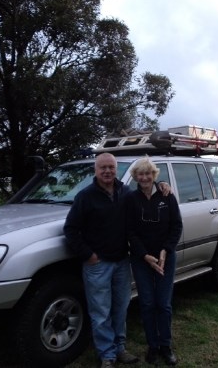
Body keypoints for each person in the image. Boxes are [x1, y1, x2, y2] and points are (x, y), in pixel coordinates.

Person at [64, 152, 170, 368]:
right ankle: (107, 355)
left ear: (116, 170)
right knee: (101, 312)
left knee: (121, 308)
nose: (107, 171)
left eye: (111, 167)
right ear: (96, 170)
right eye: (103, 167)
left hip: (122, 261)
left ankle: (120, 348)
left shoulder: (125, 192)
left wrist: (161, 185)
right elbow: (71, 229)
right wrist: (88, 255)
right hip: (97, 264)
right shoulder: (85, 196)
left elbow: (146, 190)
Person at [124, 157, 183, 366]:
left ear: (154, 175)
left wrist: (166, 250)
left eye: (148, 173)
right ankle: (153, 346)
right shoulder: (131, 199)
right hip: (142, 260)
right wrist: (144, 256)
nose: (145, 177)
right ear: (135, 177)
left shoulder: (166, 195)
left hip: (166, 257)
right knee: (147, 303)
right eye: (140, 174)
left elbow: (176, 226)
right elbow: (130, 231)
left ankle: (166, 346)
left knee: (164, 304)